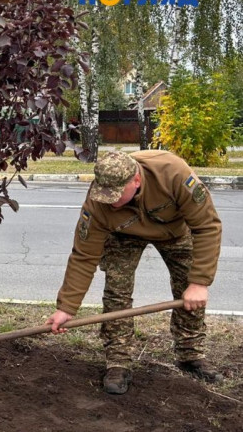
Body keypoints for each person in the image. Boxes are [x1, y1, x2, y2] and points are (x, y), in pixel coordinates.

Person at [45, 150, 223, 395]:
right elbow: (84, 256)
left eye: (117, 194)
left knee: (189, 290)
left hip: (175, 231)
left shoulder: (173, 173)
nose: (110, 201)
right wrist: (66, 307)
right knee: (117, 293)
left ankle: (190, 354)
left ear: (136, 181)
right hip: (122, 235)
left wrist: (200, 282)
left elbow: (207, 226)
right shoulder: (98, 202)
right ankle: (118, 361)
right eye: (105, 195)